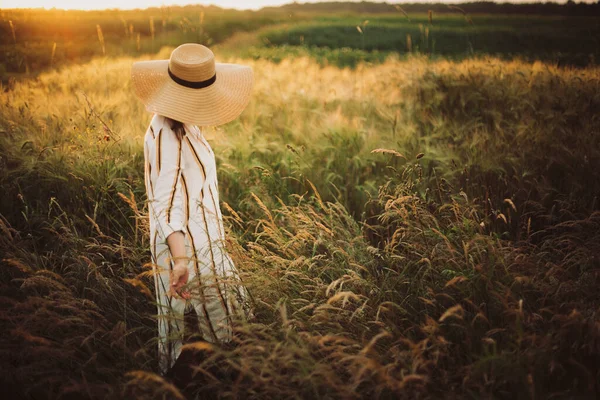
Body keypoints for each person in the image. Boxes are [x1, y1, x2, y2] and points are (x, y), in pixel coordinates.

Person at [131, 43, 254, 378]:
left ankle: (215, 375)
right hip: (187, 247)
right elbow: (164, 201)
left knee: (217, 318)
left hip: (202, 243)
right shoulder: (167, 133)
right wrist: (182, 258)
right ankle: (203, 382)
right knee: (193, 328)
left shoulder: (184, 124)